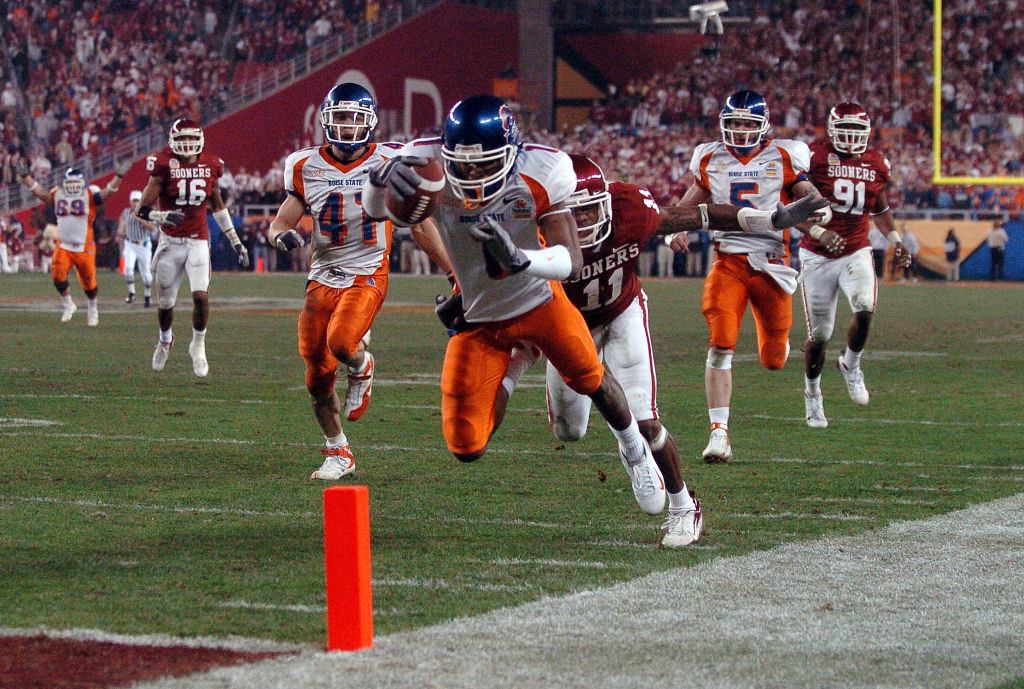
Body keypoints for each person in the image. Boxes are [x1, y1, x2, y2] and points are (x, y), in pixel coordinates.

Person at [366, 94, 777, 523]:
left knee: (614, 396)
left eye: (485, 162)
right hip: (493, 311)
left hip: (576, 306)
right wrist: (378, 186)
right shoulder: (426, 166)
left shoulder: (575, 189)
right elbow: (383, 211)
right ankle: (520, 360)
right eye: (463, 163)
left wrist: (521, 259)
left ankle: (640, 458)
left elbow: (574, 257)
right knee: (499, 440)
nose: (473, 173)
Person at [500, 154, 826, 546]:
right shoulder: (529, 234)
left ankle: (683, 504)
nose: (584, 222)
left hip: (622, 314)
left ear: (605, 203)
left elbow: (701, 216)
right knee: (569, 431)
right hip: (568, 324)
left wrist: (771, 221)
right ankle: (629, 439)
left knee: (646, 421)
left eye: (590, 211)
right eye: (574, 214)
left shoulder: (630, 212)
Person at [266, 83, 450, 480]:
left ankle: (362, 365)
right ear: (326, 121)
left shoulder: (391, 160)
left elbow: (419, 223)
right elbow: (282, 218)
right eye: (341, 118)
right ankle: (338, 451)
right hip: (322, 275)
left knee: (342, 343)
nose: (348, 126)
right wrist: (280, 235)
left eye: (355, 118)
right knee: (316, 375)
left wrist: (451, 271)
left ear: (370, 122)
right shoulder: (304, 165)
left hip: (367, 271)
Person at [673, 89, 822, 462]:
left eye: (747, 123)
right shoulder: (710, 157)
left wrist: (815, 206)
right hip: (729, 261)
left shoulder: (785, 155)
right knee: (720, 341)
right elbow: (697, 192)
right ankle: (719, 434)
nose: (740, 130)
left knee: (773, 359)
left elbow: (807, 193)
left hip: (772, 262)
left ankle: (778, 344)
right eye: (734, 122)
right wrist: (677, 224)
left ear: (763, 126)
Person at [797, 102, 912, 428]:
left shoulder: (876, 163)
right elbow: (792, 208)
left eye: (856, 132)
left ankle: (851, 363)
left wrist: (896, 241)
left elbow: (880, 209)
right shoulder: (812, 157)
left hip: (855, 250)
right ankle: (813, 393)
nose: (849, 138)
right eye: (843, 130)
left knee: (864, 307)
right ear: (831, 131)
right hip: (817, 255)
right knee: (820, 336)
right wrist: (818, 230)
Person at [137, 118, 251, 377]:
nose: (187, 144)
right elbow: (141, 209)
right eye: (182, 139)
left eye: (190, 138)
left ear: (199, 140)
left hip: (198, 240)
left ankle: (198, 346)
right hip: (169, 243)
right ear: (173, 142)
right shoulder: (164, 165)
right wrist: (161, 217)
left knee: (201, 296)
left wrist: (235, 240)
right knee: (166, 305)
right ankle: (165, 339)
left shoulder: (210, 165)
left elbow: (218, 205)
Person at [19, 162, 131, 325]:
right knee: (57, 275)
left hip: (83, 246)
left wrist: (118, 177)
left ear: (82, 183)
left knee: (89, 283)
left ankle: (92, 308)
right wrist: (26, 178)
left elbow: (106, 193)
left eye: (74, 183)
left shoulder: (90, 193)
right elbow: (42, 194)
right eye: (69, 183)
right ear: (64, 183)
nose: (72, 186)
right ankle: (68, 304)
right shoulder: (58, 193)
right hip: (64, 245)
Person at [117, 189, 157, 306]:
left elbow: (153, 229)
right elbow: (124, 224)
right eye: (134, 201)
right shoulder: (126, 212)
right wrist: (120, 235)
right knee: (128, 269)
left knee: (146, 275)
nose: (135, 203)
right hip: (130, 243)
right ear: (130, 201)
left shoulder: (148, 212)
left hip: (143, 245)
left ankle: (147, 296)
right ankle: (132, 294)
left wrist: (139, 219)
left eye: (137, 201)